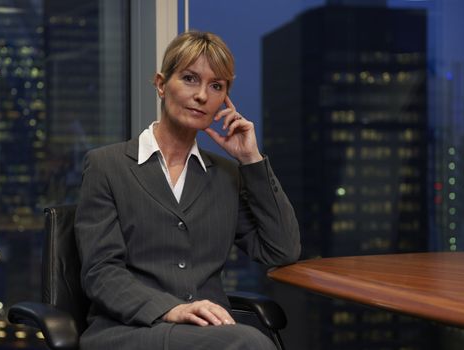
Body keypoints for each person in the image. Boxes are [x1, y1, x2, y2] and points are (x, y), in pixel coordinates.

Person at [75, 31, 301, 350]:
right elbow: (101, 273)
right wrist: (172, 310)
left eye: (216, 86)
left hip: (205, 335)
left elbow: (282, 250)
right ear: (161, 84)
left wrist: (251, 159)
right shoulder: (106, 166)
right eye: (190, 79)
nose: (202, 96)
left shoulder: (226, 175)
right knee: (252, 344)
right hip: (128, 329)